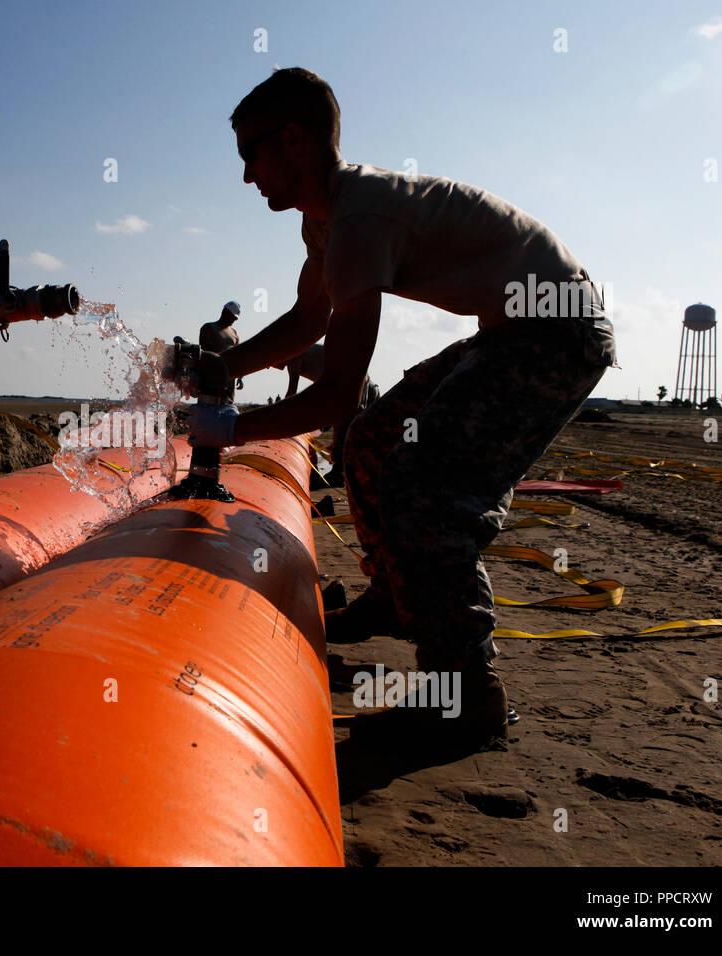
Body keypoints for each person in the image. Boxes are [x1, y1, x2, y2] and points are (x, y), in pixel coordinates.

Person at [186, 68, 617, 750]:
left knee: (427, 487)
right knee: (374, 440)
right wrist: (217, 368)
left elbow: (336, 393)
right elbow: (306, 322)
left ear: (292, 140)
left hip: (558, 331)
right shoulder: (323, 223)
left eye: (250, 155)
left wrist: (231, 431)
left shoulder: (359, 218)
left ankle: (467, 695)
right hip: (510, 327)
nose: (246, 176)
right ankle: (394, 595)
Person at [280, 342, 379, 486]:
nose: (271, 366)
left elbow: (291, 394)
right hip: (363, 385)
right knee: (355, 432)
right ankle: (353, 472)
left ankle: (339, 474)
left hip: (355, 386)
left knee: (345, 430)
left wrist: (282, 422)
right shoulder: (306, 351)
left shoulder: (295, 356)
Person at [199, 300, 244, 398]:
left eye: (236, 318)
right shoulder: (209, 327)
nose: (234, 320)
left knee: (228, 404)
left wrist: (241, 376)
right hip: (212, 377)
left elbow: (237, 354)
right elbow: (204, 352)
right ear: (225, 312)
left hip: (230, 378)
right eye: (233, 317)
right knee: (211, 403)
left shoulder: (234, 333)